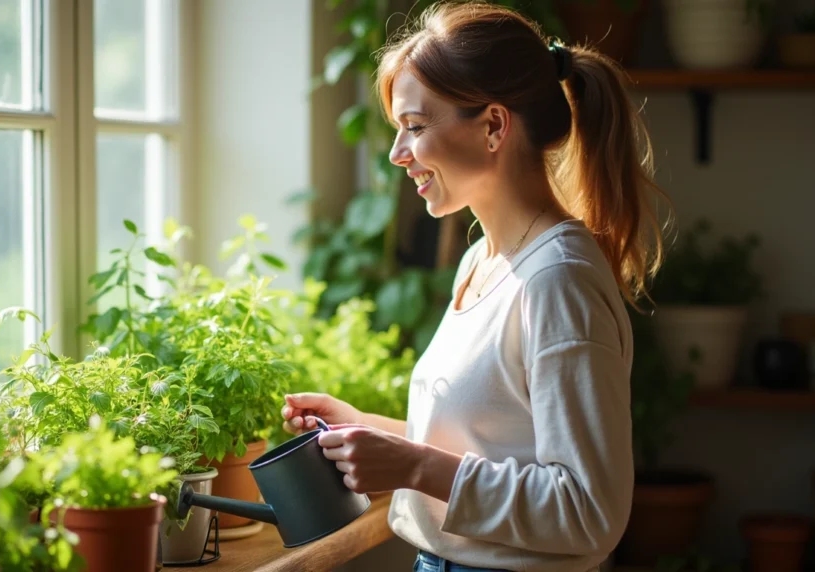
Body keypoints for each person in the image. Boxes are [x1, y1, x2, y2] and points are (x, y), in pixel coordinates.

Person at [282, 1, 672, 571]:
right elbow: (491, 444)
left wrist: (415, 467)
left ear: (493, 125)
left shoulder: (557, 281)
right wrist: (368, 430)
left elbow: (590, 511)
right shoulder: (480, 261)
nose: (398, 154)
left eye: (414, 127)